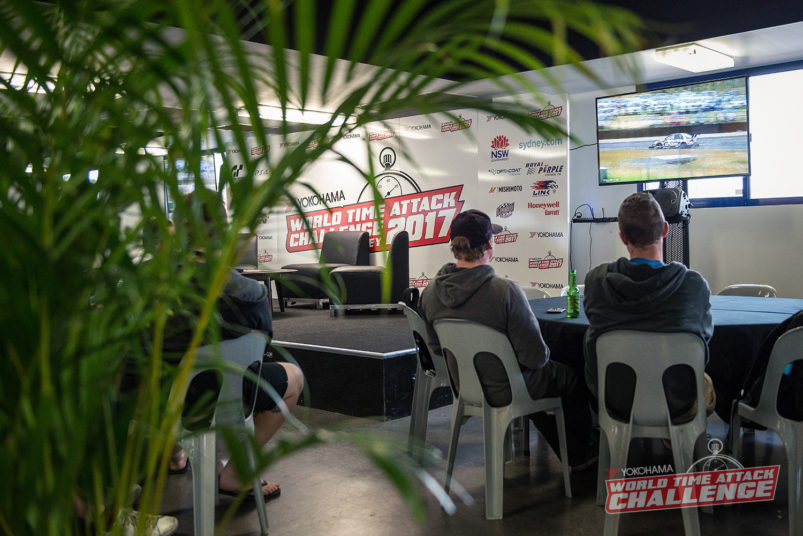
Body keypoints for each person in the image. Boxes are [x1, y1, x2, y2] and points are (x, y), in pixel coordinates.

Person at [418, 209, 596, 469]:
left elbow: (436, 348)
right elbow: (535, 358)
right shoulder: (505, 291)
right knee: (569, 375)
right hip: (512, 388)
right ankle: (583, 457)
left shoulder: (430, 292)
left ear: (454, 247)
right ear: (490, 245)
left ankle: (576, 454)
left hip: (466, 388)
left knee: (541, 377)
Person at [163, 192, 304, 500]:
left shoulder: (153, 286)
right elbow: (261, 346)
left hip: (161, 407)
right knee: (293, 377)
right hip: (228, 402)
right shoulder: (252, 293)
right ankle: (236, 475)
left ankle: (174, 454)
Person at [583, 192, 714, 423]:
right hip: (677, 399)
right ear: (665, 229)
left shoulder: (596, 282)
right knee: (707, 382)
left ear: (623, 237)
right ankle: (681, 439)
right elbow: (703, 344)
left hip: (614, 398)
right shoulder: (694, 286)